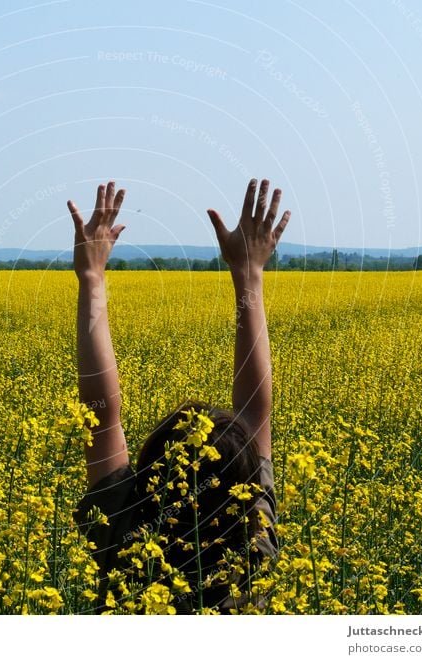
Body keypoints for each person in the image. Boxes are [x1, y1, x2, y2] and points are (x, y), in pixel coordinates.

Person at [68, 178, 290, 614]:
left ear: (153, 472)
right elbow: (254, 409)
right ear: (245, 489)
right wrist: (249, 273)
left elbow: (101, 414)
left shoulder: (124, 537)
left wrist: (92, 277)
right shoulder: (253, 551)